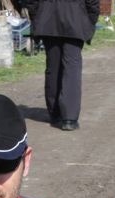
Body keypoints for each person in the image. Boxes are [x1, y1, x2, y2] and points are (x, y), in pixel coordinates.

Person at [19, 0, 100, 131]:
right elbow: (93, 3)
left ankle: (56, 113)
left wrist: (38, 15)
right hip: (75, 19)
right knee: (72, 68)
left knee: (53, 66)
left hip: (48, 19)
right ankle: (69, 118)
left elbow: (31, 2)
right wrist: (90, 20)